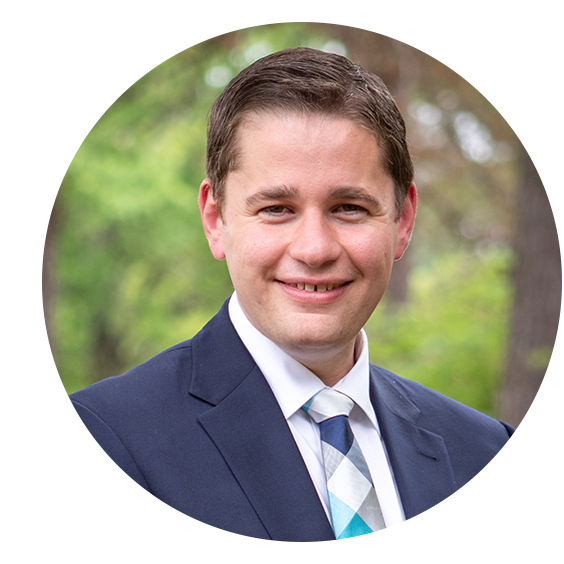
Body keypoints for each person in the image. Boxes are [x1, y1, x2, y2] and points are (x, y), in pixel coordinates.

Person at [41, 47, 549, 543]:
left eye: (349, 208)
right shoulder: (100, 442)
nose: (314, 249)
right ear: (216, 220)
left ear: (403, 220)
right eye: (277, 209)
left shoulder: (490, 457)